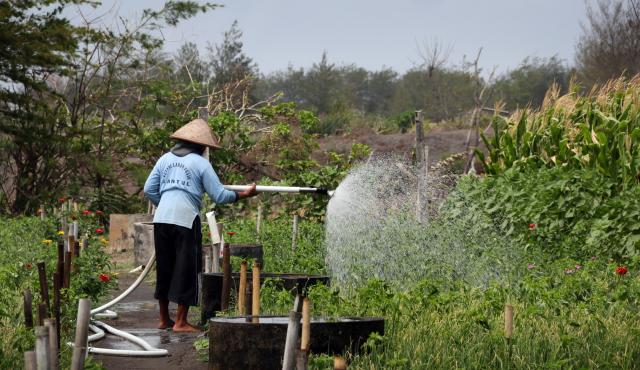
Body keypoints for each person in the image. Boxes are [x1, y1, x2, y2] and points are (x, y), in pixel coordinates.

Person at [143, 118, 257, 332]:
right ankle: (181, 322)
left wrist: (166, 204)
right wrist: (245, 194)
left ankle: (163, 319)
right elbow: (220, 195)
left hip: (161, 220)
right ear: (202, 146)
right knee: (186, 269)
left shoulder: (164, 159)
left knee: (165, 268)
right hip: (185, 220)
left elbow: (149, 189)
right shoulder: (201, 163)